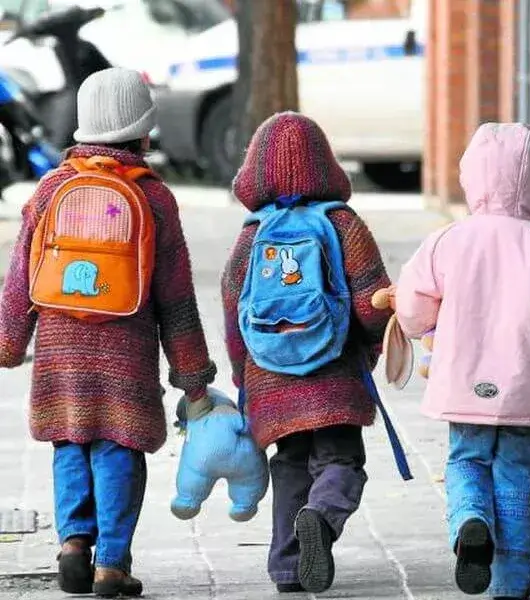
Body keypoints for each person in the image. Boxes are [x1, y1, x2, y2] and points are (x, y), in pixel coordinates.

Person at [0, 67, 216, 597]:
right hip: (127, 350)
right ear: (144, 132)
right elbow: (177, 297)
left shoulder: (52, 188)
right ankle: (112, 564)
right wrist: (192, 375)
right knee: (119, 447)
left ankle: (74, 543)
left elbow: (20, 275)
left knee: (69, 441)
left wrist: (8, 341)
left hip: (58, 348)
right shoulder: (155, 199)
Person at [394, 122, 530, 600]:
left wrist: (420, 326)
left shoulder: (447, 241)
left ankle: (470, 519)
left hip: (461, 386)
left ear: (471, 178)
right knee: (515, 474)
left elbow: (412, 305)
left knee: (466, 459)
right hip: (523, 389)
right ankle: (511, 581)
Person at [220, 112, 393, 594]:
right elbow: (370, 298)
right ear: (326, 165)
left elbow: (233, 301)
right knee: (340, 462)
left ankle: (287, 568)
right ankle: (321, 516)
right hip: (333, 370)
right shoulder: (342, 223)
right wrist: (375, 342)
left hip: (271, 377)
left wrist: (244, 374)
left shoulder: (252, 232)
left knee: (290, 463)